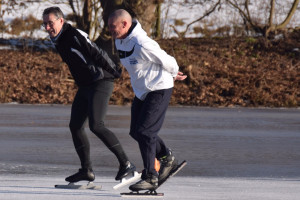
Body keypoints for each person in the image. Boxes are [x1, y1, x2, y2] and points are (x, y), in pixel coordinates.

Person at [42, 6, 135, 183]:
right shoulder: (59, 39)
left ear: (61, 21)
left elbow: (95, 51)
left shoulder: (74, 35)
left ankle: (126, 163)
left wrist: (113, 70)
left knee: (96, 125)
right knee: (75, 126)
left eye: (50, 23)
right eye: (44, 24)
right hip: (86, 85)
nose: (47, 28)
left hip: (101, 81)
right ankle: (86, 170)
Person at [108, 9, 187, 191]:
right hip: (142, 91)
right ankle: (166, 157)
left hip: (159, 87)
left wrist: (174, 73)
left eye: (113, 27)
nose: (111, 31)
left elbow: (167, 59)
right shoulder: (120, 40)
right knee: (136, 132)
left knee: (146, 132)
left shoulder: (141, 43)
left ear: (125, 24)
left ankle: (151, 176)